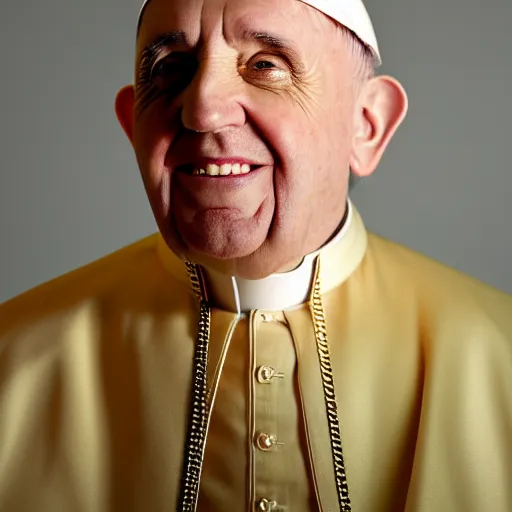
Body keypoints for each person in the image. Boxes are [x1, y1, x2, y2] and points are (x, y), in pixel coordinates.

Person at [1, 0, 511, 510]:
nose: (201, 108)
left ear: (366, 125)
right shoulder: (12, 359)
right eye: (172, 69)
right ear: (132, 127)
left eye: (265, 65)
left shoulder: (499, 358)